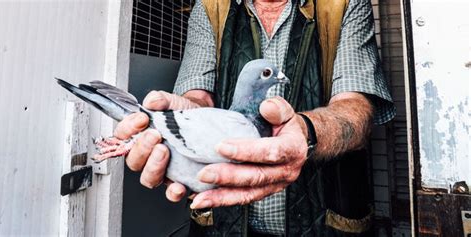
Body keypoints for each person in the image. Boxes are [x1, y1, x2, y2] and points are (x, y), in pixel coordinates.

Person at [114, 0, 395, 236]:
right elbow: (198, 98)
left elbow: (355, 109)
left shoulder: (342, 4)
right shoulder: (211, 7)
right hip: (224, 222)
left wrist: (306, 132)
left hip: (324, 222)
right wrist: (189, 121)